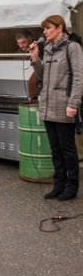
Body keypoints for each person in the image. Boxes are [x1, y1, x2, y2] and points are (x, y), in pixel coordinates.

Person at [30, 15, 83, 201]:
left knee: (67, 149)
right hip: (47, 105)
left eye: (47, 28)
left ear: (59, 27)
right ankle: (58, 184)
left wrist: (73, 103)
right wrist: (35, 59)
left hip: (63, 105)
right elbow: (43, 76)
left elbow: (78, 77)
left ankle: (71, 186)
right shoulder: (49, 49)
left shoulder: (72, 47)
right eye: (44, 29)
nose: (44, 32)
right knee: (55, 149)